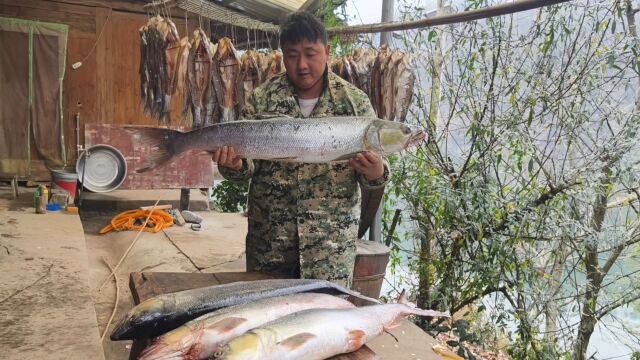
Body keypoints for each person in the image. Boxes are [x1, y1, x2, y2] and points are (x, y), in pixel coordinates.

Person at [212, 11, 390, 288]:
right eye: (292, 55)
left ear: (327, 52)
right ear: (282, 55)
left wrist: (376, 171)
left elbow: (374, 172)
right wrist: (233, 165)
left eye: (310, 53)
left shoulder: (354, 103)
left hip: (329, 249)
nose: (302, 64)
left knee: (324, 323)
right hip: (271, 244)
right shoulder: (263, 98)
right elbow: (247, 166)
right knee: (266, 320)